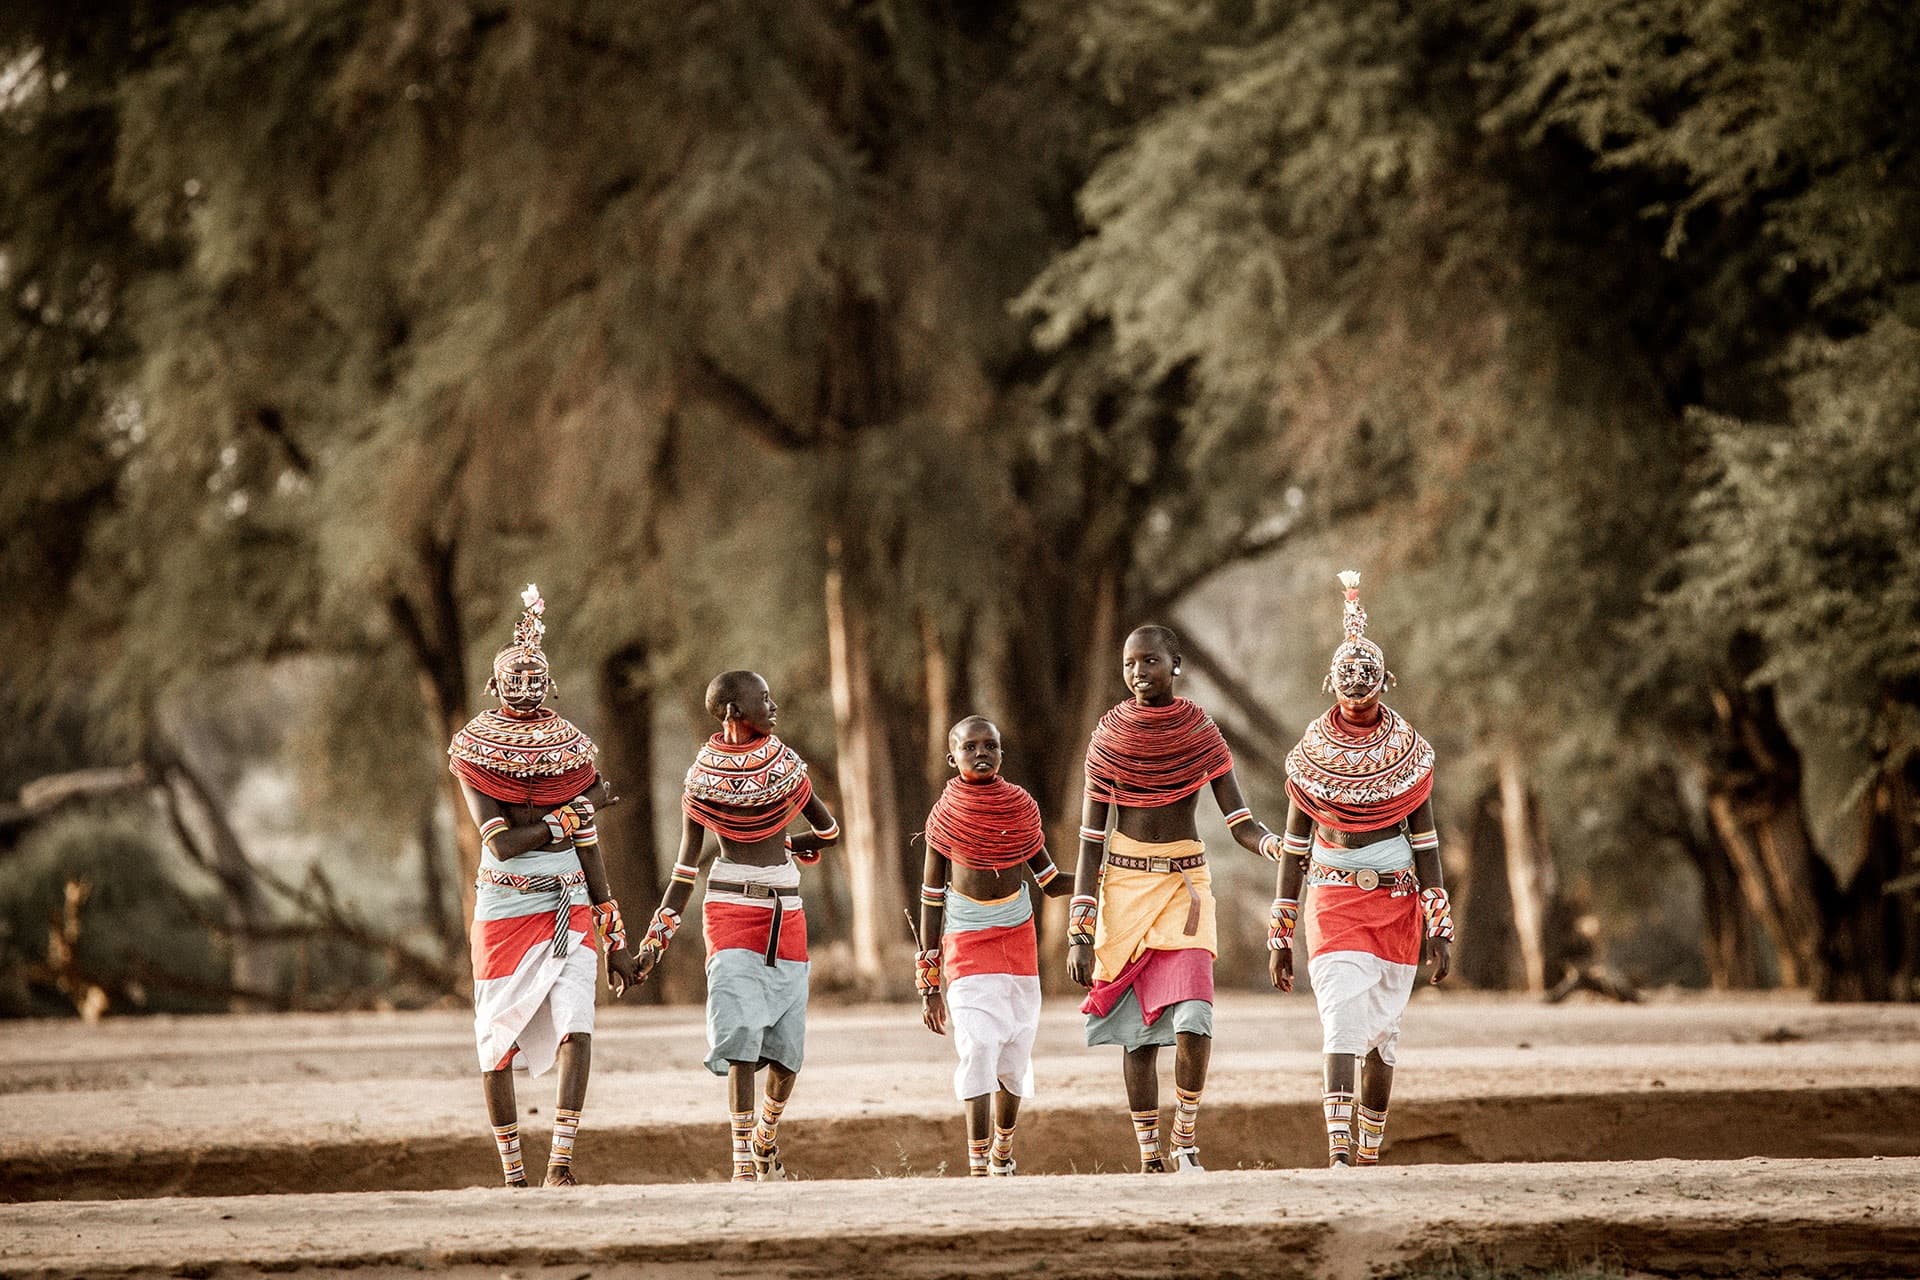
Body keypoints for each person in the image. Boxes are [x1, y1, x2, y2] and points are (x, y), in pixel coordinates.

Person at [1068, 624, 1288, 1173]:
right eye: (1129, 664)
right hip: (1123, 892)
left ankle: (1185, 1139)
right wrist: (1080, 927)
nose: (1138, 672)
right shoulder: (1109, 737)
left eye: (1150, 662)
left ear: (1176, 665)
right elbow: (1091, 839)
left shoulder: (1200, 733)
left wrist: (1273, 845)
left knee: (1195, 1018)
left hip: (1186, 890)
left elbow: (1238, 821)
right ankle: (1149, 1154)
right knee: (1138, 1035)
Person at [449, 584, 639, 1188]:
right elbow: (500, 843)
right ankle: (512, 1174)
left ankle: (560, 1164)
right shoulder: (477, 755)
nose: (527, 693)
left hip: (568, 906)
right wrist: (576, 809)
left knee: (576, 1025)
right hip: (503, 910)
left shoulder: (570, 752)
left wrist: (615, 943)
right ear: (494, 688)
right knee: (495, 1043)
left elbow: (589, 854)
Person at [1268, 571, 1453, 1168]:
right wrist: (1281, 935)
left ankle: (1370, 1150)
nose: (1356, 704)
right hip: (1332, 901)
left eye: (1367, 694)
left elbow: (1425, 845)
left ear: (1383, 687)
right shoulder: (1310, 758)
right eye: (1347, 694)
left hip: (1396, 908)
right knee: (1342, 1021)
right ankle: (1340, 1152)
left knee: (1383, 1036)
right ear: (1331, 688)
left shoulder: (1409, 755)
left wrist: (1439, 927)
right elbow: (1296, 849)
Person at [632, 670, 840, 1183]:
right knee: (741, 1033)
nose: (773, 706)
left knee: (788, 1053)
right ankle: (742, 1161)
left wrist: (787, 846)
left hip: (785, 909)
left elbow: (829, 829)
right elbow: (685, 868)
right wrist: (653, 942)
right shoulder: (701, 776)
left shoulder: (786, 766)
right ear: (732, 713)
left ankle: (766, 1138)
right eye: (762, 699)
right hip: (728, 910)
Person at [914, 715, 1074, 1176]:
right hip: (966, 943)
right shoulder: (943, 817)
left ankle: (1004, 1152)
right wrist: (928, 981)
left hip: (1018, 942)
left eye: (991, 746)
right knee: (979, 1045)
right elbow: (929, 899)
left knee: (1015, 1051)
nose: (981, 754)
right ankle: (979, 1162)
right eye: (970, 748)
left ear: (1002, 753)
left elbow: (1047, 880)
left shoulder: (1021, 808)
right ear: (953, 758)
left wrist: (1098, 877)